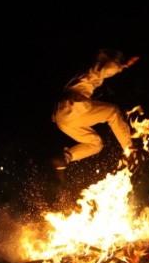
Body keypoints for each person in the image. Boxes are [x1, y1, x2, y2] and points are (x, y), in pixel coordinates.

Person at [51, 49, 140, 184]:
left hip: (62, 118)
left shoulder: (79, 73)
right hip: (74, 107)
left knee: (96, 144)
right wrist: (123, 66)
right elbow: (105, 69)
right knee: (113, 112)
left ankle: (65, 158)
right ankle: (130, 148)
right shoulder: (93, 69)